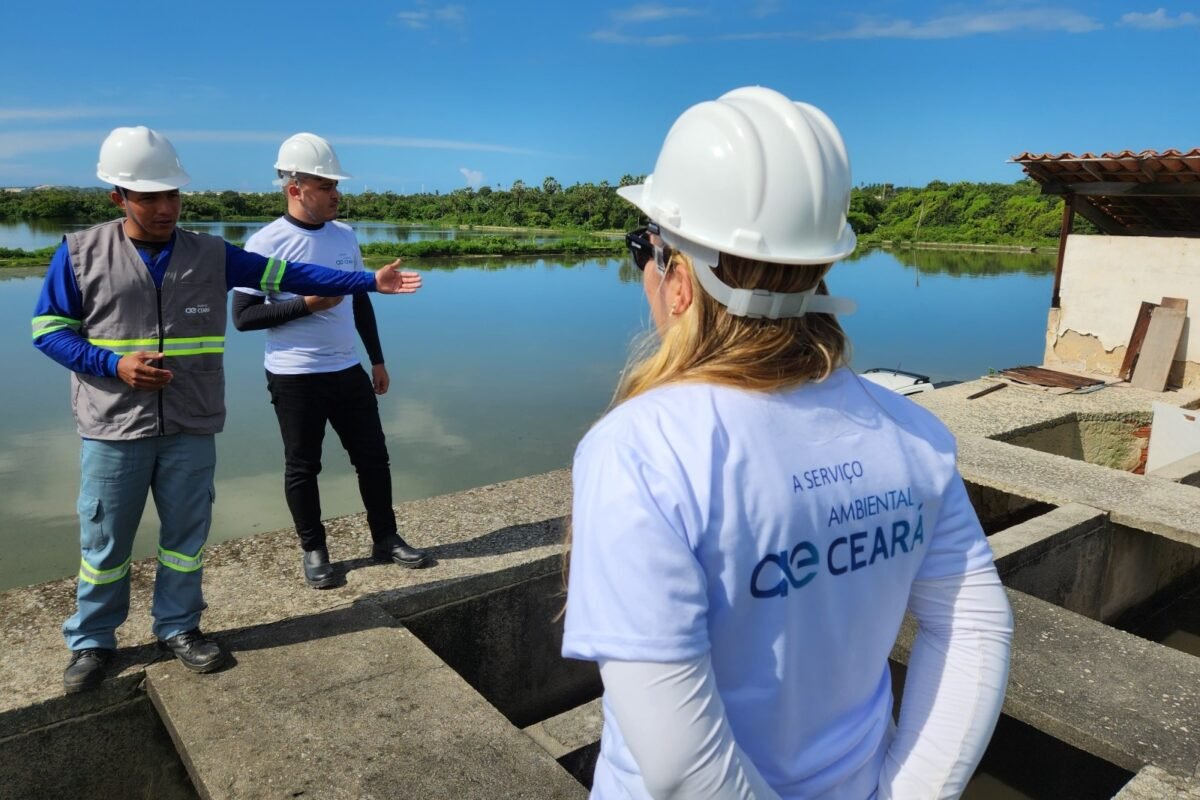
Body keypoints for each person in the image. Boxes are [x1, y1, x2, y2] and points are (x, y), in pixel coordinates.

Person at [561, 87, 1013, 799]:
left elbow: (680, 767)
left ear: (680, 278)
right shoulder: (914, 434)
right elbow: (976, 627)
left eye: (643, 247)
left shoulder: (643, 451)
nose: (643, 270)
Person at [31, 126, 421, 694]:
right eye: (150, 197)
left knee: (187, 538)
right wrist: (112, 365)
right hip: (114, 424)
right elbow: (47, 331)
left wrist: (368, 281)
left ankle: (180, 628)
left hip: (191, 417)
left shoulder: (209, 252)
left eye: (173, 195)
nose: (166, 208)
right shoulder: (79, 252)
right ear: (118, 197)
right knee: (106, 543)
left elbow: (289, 275)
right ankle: (92, 642)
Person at [232, 133, 429, 590]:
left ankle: (386, 537)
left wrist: (376, 359)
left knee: (373, 458)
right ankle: (314, 549)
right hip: (295, 375)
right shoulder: (265, 242)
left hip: (347, 369)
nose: (336, 194)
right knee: (303, 466)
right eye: (325, 185)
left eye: (335, 185)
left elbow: (360, 300)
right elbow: (242, 317)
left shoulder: (345, 236)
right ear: (294, 188)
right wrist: (307, 305)